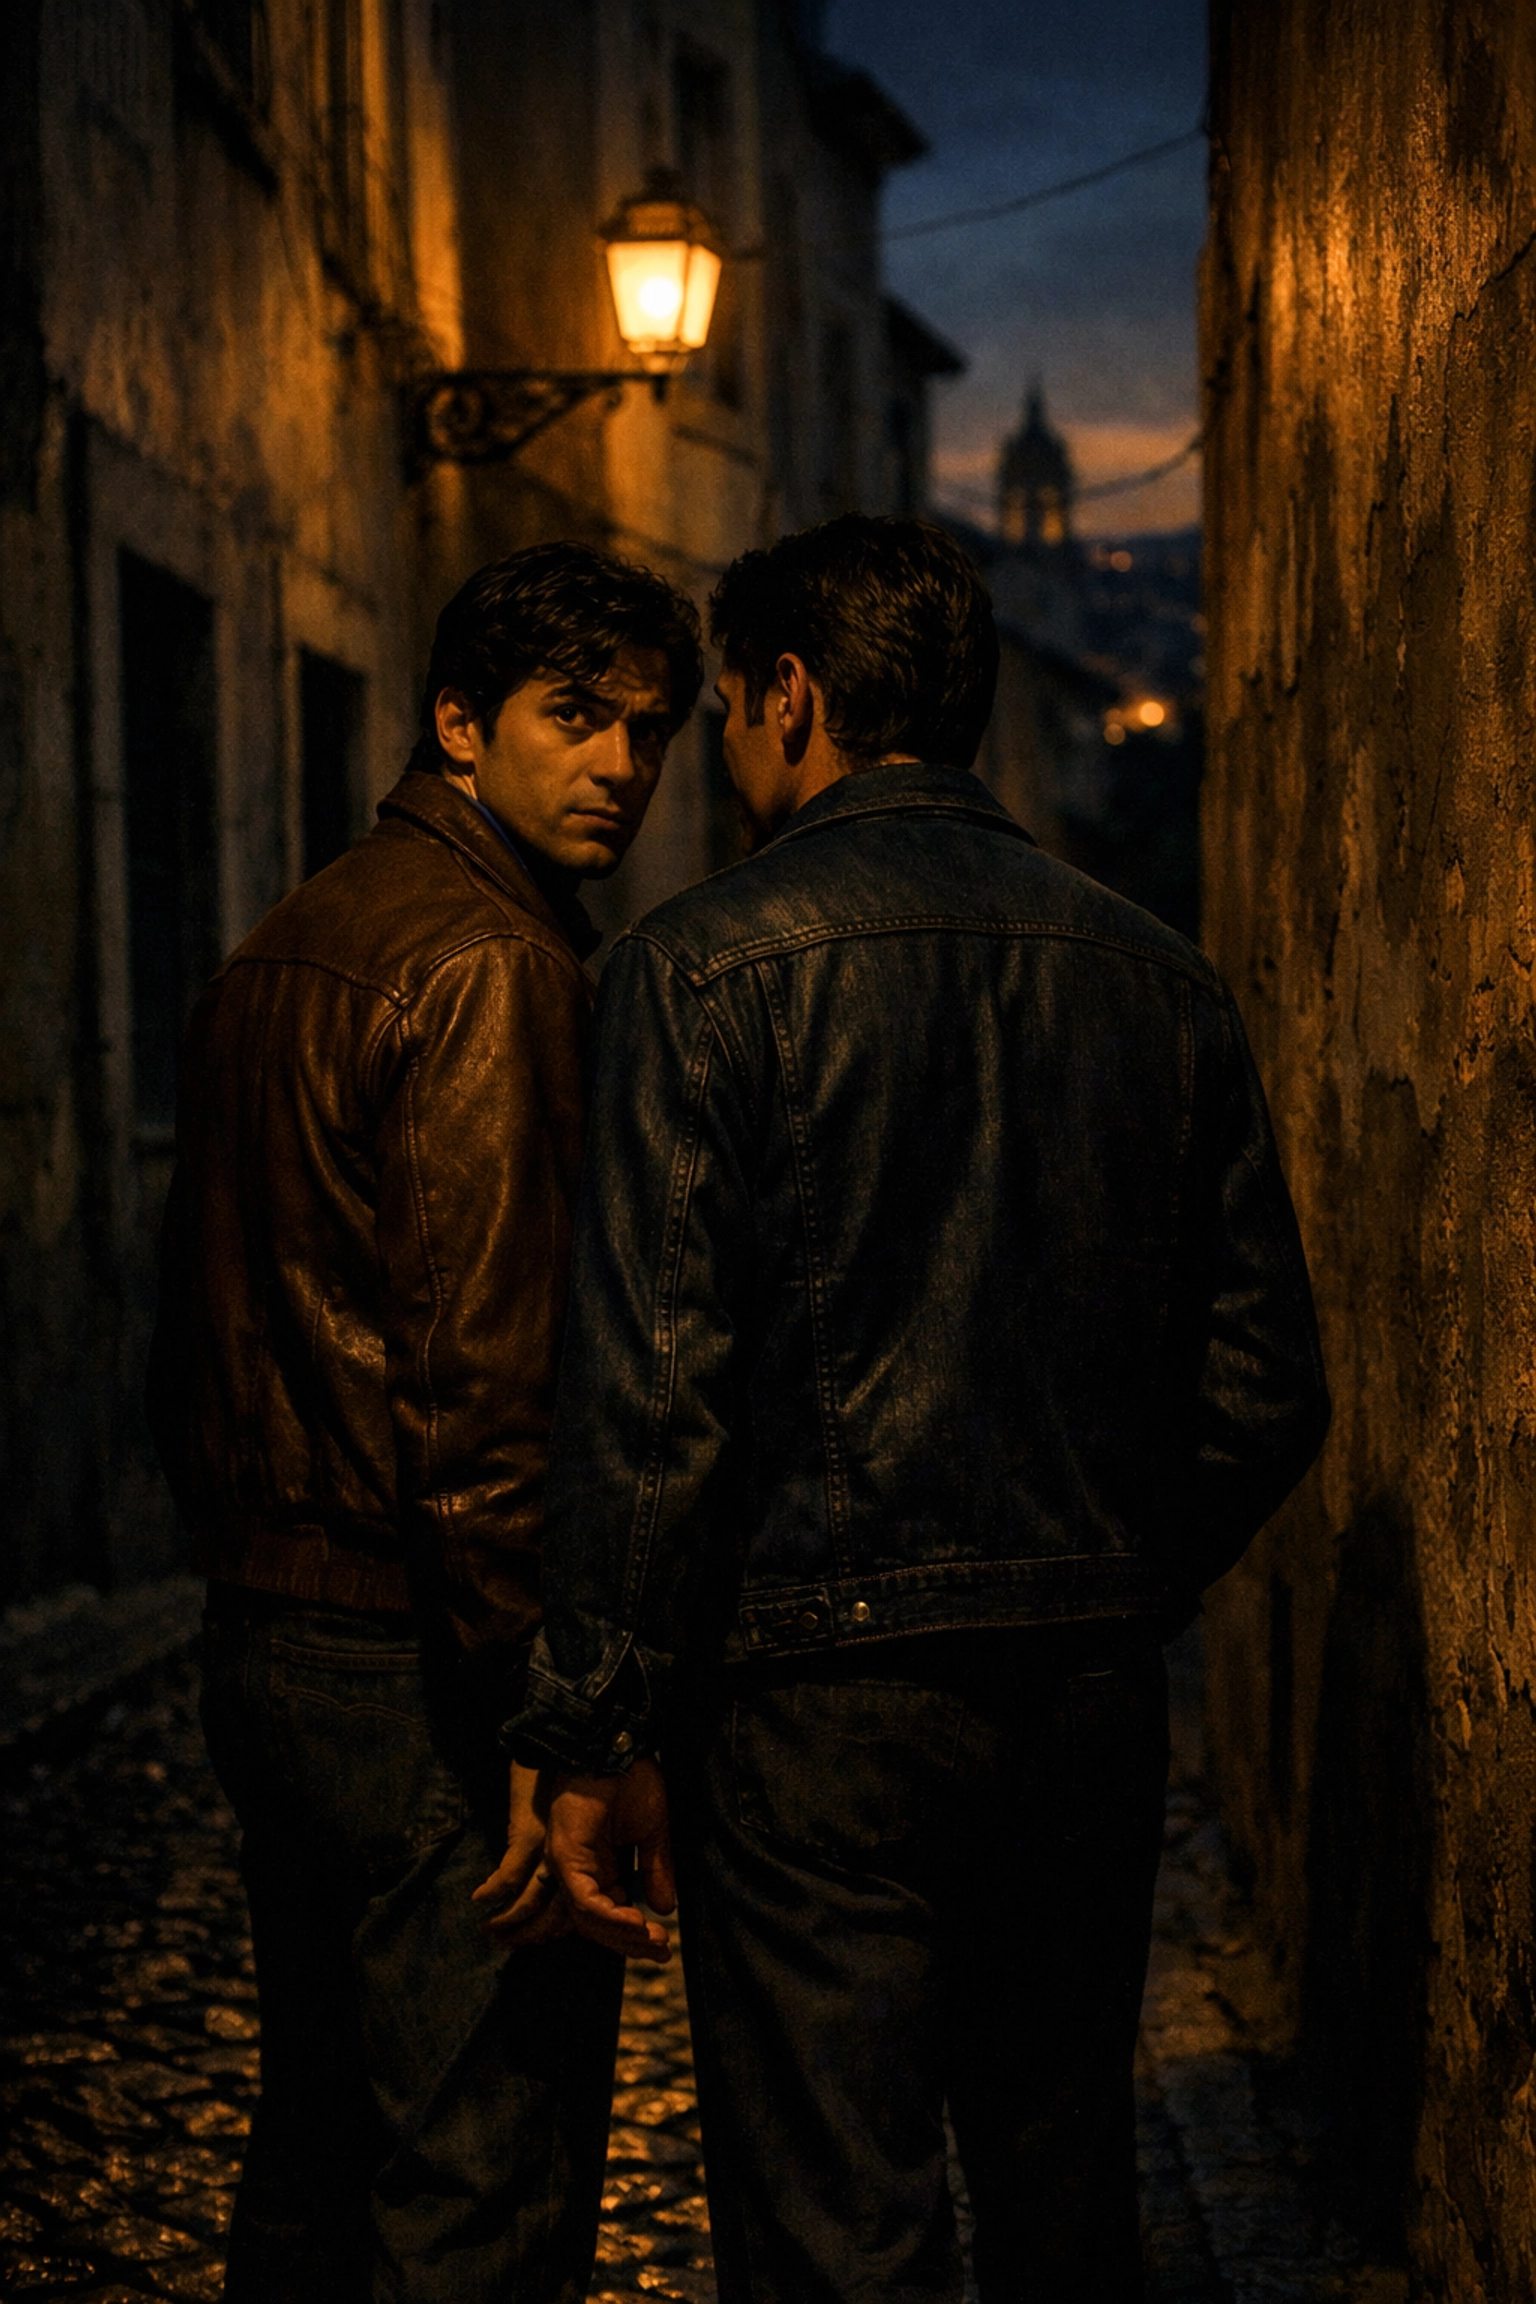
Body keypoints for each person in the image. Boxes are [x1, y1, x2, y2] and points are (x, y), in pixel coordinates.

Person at [510, 515, 1331, 2302]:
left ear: (794, 697)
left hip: (812, 1706)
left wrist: (595, 1723)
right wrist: (1108, 1570)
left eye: (725, 711)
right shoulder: (1159, 980)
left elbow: (656, 1396)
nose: (718, 756)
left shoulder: (696, 971)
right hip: (1083, 1695)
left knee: (835, 2219)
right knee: (1061, 2186)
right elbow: (1266, 1383)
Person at [146, 541, 702, 2304]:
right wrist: (562, 1721)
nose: (621, 765)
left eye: (651, 730)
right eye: (576, 719)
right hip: (424, 1673)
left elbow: (195, 1331)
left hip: (275, 1647)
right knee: (482, 2179)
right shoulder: (492, 968)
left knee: (314, 2154)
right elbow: (490, 1402)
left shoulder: (281, 943)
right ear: (460, 725)